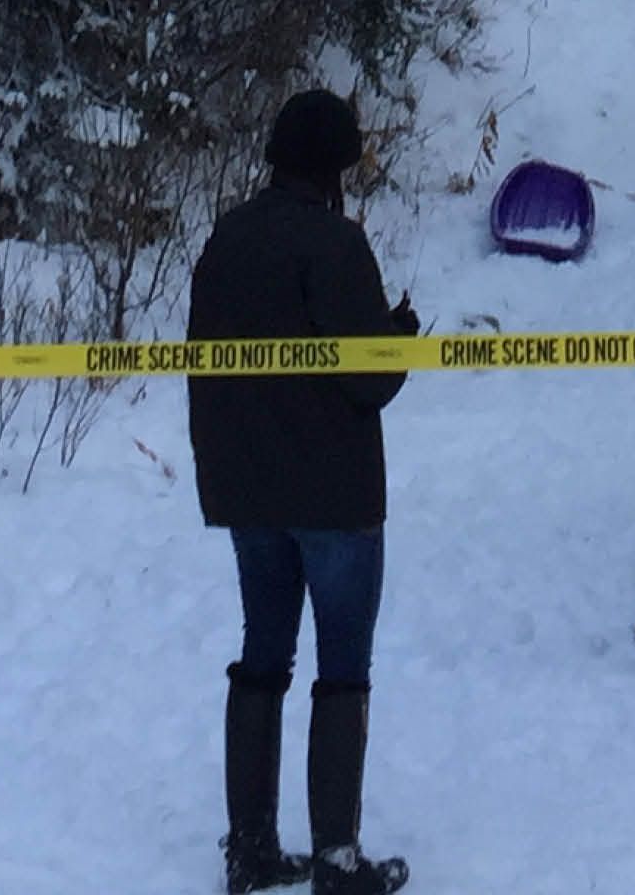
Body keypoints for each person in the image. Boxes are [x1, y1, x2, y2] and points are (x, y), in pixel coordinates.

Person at [188, 87, 417, 894]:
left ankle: (249, 846)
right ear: (335, 169)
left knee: (263, 655)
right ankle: (336, 860)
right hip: (335, 494)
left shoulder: (226, 237)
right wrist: (399, 338)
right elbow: (370, 379)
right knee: (342, 665)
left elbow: (206, 368)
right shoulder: (336, 245)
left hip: (248, 489)